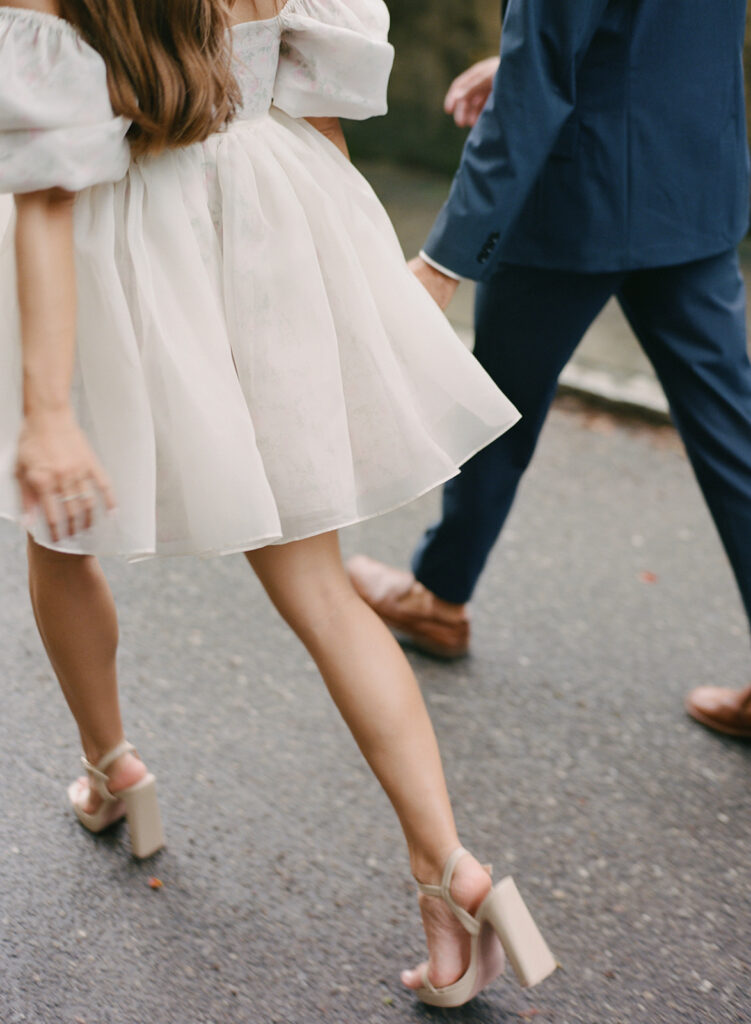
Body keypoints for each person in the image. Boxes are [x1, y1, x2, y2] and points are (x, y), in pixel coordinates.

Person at [0, 0, 557, 1006]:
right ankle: (448, 872)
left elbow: (44, 186)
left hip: (113, 240)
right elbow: (320, 108)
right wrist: (341, 285)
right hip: (273, 213)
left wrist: (46, 413)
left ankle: (113, 769)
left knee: (62, 530)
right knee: (322, 588)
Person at [348, 0, 751, 731]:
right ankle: (438, 592)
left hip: (573, 197)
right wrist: (534, 57)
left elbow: (538, 84)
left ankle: (439, 597)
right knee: (735, 439)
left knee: (497, 408)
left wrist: (444, 260)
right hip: (688, 178)